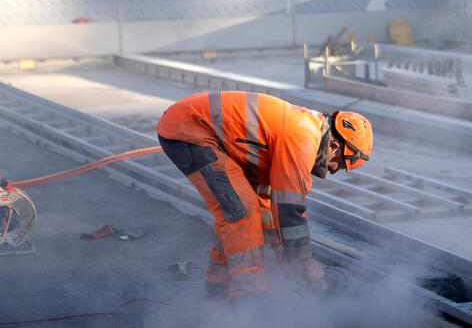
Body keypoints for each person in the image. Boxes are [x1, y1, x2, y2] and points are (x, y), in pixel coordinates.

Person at [155, 91, 372, 301]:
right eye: (342, 164)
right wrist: (305, 262)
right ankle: (248, 300)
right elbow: (289, 207)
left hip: (195, 127)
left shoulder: (303, 131)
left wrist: (283, 255)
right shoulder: (303, 140)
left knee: (239, 212)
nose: (334, 171)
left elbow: (268, 205)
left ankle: (217, 287)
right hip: (190, 130)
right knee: (242, 214)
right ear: (334, 147)